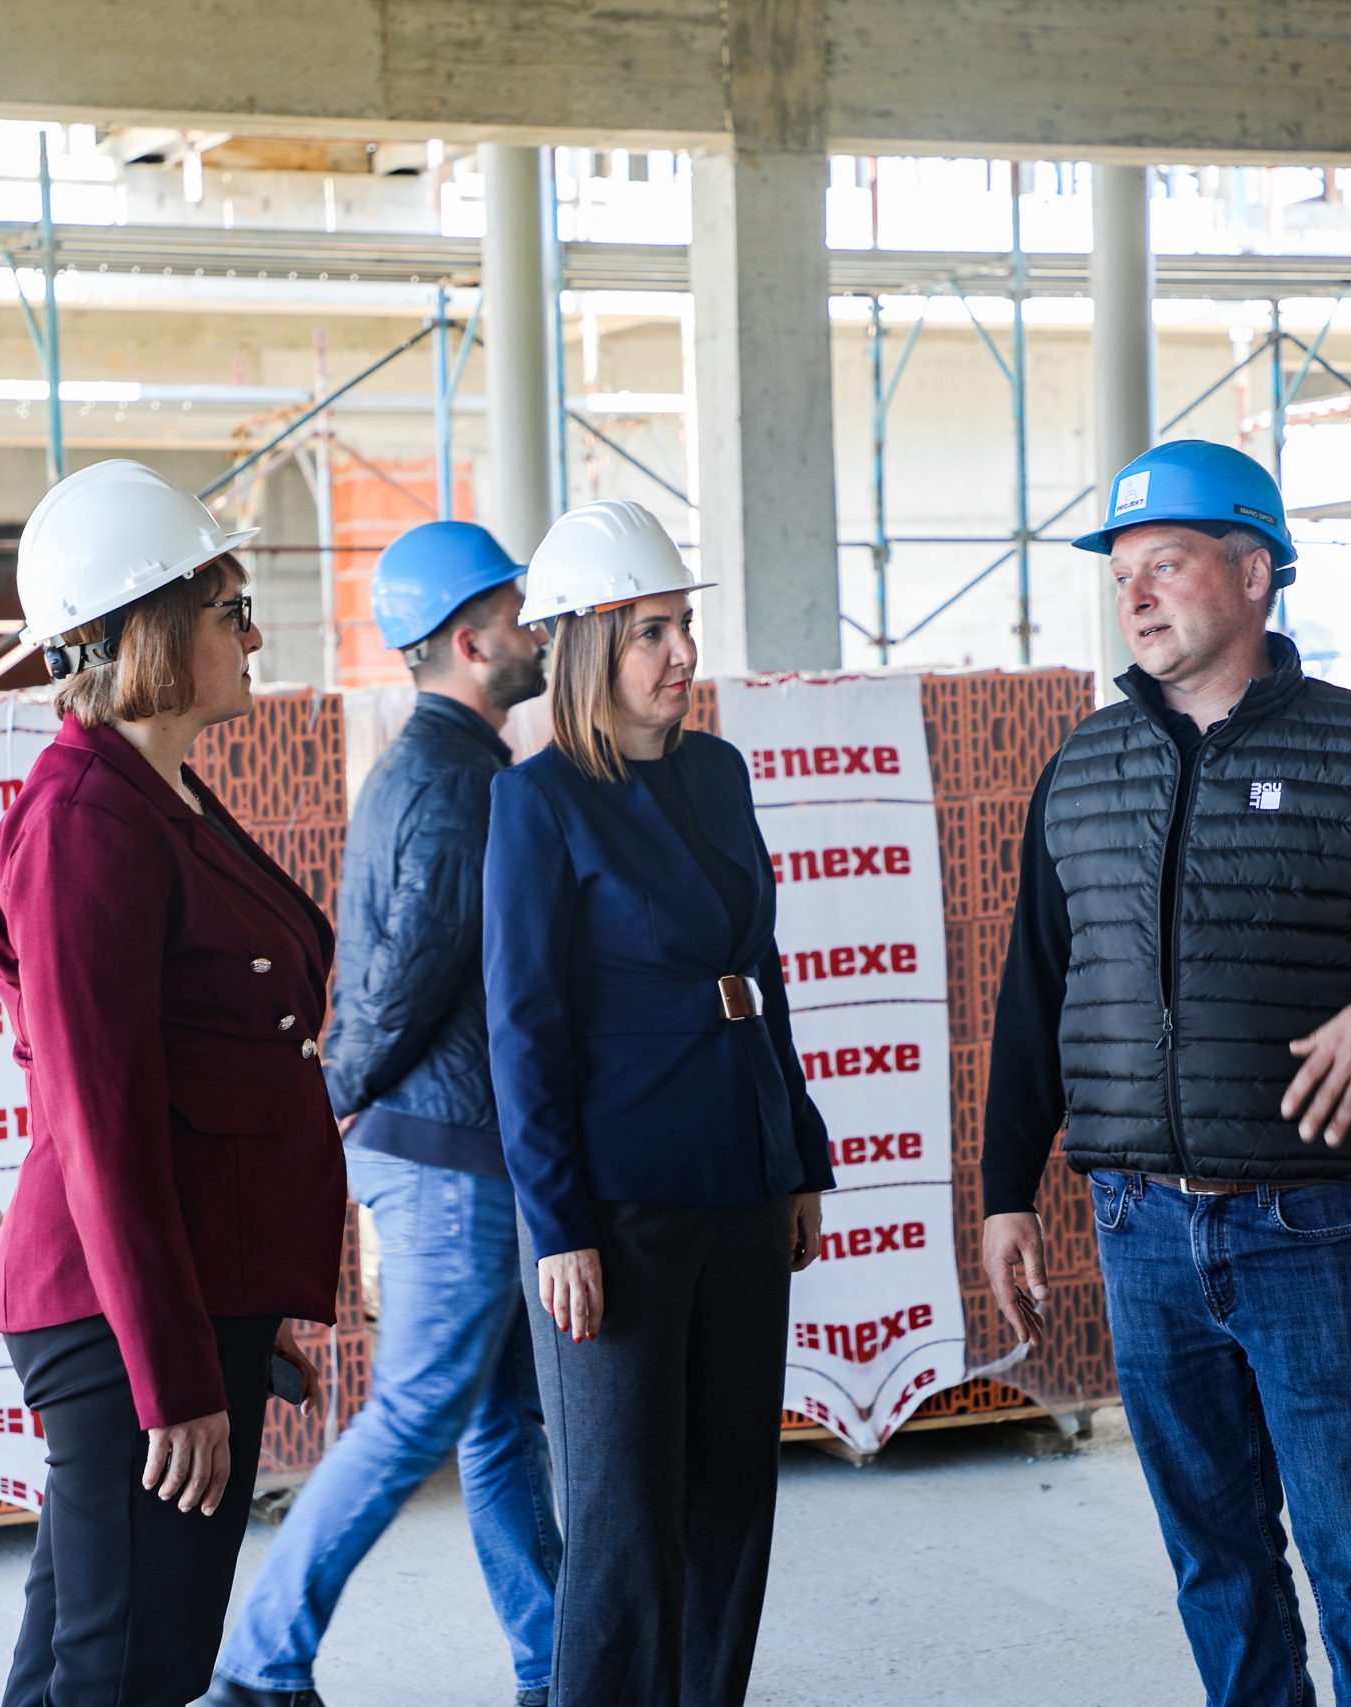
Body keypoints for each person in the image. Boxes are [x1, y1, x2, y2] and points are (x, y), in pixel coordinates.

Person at [979, 440, 1351, 1707]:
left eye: (1164, 564)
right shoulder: (1082, 768)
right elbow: (1035, 993)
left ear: (1252, 573)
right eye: (1121, 575)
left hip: (1312, 1229)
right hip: (1138, 1230)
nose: (1135, 596)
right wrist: (1006, 1190)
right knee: (1214, 1566)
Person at [0, 459, 347, 1707]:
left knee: (88, 1665)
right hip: (119, 1317)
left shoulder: (154, 794)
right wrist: (174, 1373)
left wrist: (244, 1303)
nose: (253, 636)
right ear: (147, 629)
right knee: (129, 1669)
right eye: (229, 611)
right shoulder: (86, 821)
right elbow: (104, 1126)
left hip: (177, 1293)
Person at [482, 499, 831, 1707]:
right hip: (617, 1205)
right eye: (651, 632)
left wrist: (797, 1156)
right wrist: (557, 1226)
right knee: (625, 1524)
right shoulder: (536, 802)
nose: (682, 653)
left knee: (731, 1499)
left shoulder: (719, 772)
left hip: (741, 1174)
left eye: (684, 625)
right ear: (585, 646)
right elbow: (524, 1031)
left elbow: (760, 970)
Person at [210, 521, 561, 1707]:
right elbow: (406, 976)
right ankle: (259, 1665)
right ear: (470, 641)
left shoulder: (446, 766)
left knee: (498, 1419)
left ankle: (557, 1667)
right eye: (517, 616)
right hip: (447, 1156)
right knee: (417, 1412)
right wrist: (326, 1107)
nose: (537, 634)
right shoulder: (456, 784)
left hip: (452, 1147)